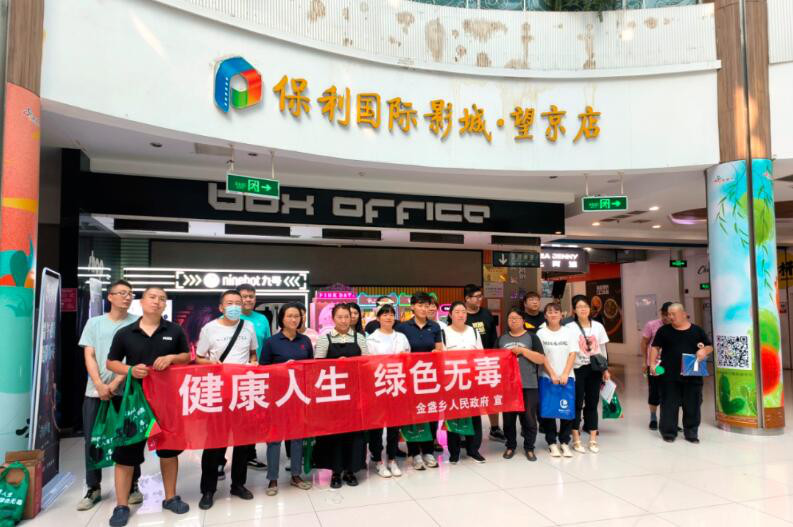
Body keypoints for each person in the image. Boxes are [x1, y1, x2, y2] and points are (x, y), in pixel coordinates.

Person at [105, 287, 191, 527]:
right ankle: (121, 505)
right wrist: (130, 370)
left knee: (169, 450)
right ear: (142, 302)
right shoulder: (126, 332)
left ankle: (170, 497)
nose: (157, 302)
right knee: (126, 454)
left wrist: (172, 358)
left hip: (167, 401)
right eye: (152, 297)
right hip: (134, 401)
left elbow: (186, 356)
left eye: (162, 299)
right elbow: (111, 362)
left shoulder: (174, 330)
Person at [77, 280, 142, 512]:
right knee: (92, 440)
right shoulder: (94, 323)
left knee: (129, 439)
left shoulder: (138, 323)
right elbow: (89, 354)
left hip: (127, 392)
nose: (127, 297)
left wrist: (115, 383)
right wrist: (98, 384)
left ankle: (132, 485)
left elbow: (135, 358)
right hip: (95, 392)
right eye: (122, 293)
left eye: (130, 293)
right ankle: (93, 487)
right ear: (110, 297)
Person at [195, 290, 258, 510]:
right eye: (230, 303)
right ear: (221, 307)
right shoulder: (209, 328)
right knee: (214, 442)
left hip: (243, 392)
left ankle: (238, 485)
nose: (234, 306)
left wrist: (253, 362)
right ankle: (208, 489)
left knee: (242, 442)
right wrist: (212, 365)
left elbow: (253, 353)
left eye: (238, 303)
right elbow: (198, 358)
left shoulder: (248, 327)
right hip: (218, 392)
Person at [313, 304, 370, 488]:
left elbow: (366, 364)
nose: (344, 320)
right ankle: (336, 472)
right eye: (340, 317)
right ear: (333, 319)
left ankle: (351, 470)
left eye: (347, 316)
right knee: (334, 434)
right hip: (333, 394)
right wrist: (336, 365)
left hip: (355, 394)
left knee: (354, 434)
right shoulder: (325, 338)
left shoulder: (359, 338)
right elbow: (317, 367)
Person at [260, 303, 314, 494]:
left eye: (297, 316)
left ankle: (296, 475)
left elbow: (310, 367)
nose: (293, 319)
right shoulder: (271, 342)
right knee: (274, 438)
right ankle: (272, 479)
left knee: (297, 437)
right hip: (276, 396)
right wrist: (282, 369)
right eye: (289, 316)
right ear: (282, 319)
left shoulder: (305, 340)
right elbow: (263, 369)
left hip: (298, 395)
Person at [650, 303, 712, 443]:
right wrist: (652, 364)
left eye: (674, 314)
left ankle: (691, 433)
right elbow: (655, 347)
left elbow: (709, 346)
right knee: (669, 404)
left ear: (684, 314)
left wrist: (704, 351)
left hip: (692, 375)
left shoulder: (697, 330)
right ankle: (668, 432)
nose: (670, 317)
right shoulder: (664, 331)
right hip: (669, 375)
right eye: (669, 314)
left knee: (692, 405)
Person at [396, 292, 443, 470]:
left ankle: (428, 451)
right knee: (412, 415)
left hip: (430, 378)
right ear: (413, 307)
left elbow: (439, 350)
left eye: (427, 305)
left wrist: (436, 353)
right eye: (420, 305)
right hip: (409, 378)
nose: (424, 309)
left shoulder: (434, 326)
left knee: (431, 412)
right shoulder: (403, 327)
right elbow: (400, 352)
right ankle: (414, 453)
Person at [365, 304, 411, 477]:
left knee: (394, 426)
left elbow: (408, 359)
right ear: (378, 318)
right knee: (377, 426)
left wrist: (404, 358)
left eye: (391, 314)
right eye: (384, 315)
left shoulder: (401, 337)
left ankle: (392, 459)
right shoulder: (371, 339)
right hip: (378, 386)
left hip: (396, 385)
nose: (388, 317)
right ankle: (378, 460)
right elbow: (369, 364)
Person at [499, 307, 546, 462]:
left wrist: (523, 351)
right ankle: (510, 446)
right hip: (508, 386)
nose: (513, 321)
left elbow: (541, 359)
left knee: (529, 418)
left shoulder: (532, 337)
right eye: (510, 318)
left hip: (529, 384)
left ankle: (529, 447)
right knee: (508, 419)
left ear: (523, 320)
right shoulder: (502, 339)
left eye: (516, 318)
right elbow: (494, 360)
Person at [565, 295, 610, 454]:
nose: (583, 309)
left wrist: (605, 369)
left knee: (592, 403)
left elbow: (602, 349)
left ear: (589, 309)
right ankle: (576, 438)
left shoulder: (598, 326)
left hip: (595, 369)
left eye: (585, 306)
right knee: (576, 404)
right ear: (574, 310)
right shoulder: (569, 327)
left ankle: (592, 439)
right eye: (579, 307)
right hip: (577, 369)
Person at [442, 301, 486, 463]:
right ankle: (454, 452)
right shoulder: (443, 332)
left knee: (474, 414)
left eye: (463, 312)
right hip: (452, 381)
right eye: (457, 312)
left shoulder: (474, 332)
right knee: (453, 414)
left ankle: (473, 449)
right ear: (450, 314)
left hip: (472, 380)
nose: (461, 315)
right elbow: (442, 358)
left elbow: (480, 355)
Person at [462, 284, 504, 443]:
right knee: (468, 398)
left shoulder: (486, 313)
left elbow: (493, 336)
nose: (480, 299)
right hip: (466, 365)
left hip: (487, 362)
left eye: (481, 296)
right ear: (467, 299)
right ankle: (465, 430)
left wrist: (494, 357)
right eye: (477, 296)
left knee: (490, 396)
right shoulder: (461, 314)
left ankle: (495, 428)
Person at [536, 303, 577, 458]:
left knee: (566, 410)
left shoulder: (569, 332)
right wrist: (552, 373)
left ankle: (565, 442)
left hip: (567, 377)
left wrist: (565, 373)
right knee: (549, 411)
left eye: (556, 312)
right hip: (547, 377)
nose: (553, 314)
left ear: (561, 315)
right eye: (550, 312)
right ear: (545, 315)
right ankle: (552, 442)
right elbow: (542, 356)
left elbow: (573, 353)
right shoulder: (541, 333)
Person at [237, 284, 270, 472]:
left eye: (251, 296)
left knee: (253, 418)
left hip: (256, 376)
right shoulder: (227, 319)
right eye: (244, 296)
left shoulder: (262, 319)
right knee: (230, 419)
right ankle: (220, 460)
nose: (248, 299)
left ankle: (250, 455)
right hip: (232, 376)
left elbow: (267, 345)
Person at [640, 302, 673, 430]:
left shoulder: (676, 326)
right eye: (664, 314)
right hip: (655, 364)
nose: (666, 318)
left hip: (671, 365)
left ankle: (668, 419)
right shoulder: (652, 325)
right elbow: (644, 343)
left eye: (669, 315)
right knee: (654, 391)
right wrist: (645, 361)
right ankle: (653, 417)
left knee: (670, 392)